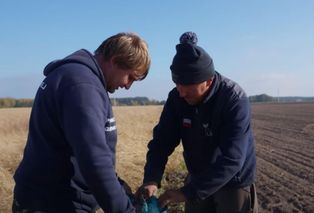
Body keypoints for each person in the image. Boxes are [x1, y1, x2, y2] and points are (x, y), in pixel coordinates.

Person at [12, 32, 151, 213]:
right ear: (115, 61)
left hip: (48, 198)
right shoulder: (83, 87)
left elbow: (80, 149)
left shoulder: (79, 79)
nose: (128, 86)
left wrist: (116, 185)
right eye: (130, 77)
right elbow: (94, 159)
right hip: (54, 203)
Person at [138, 32, 258, 213]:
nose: (182, 94)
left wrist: (186, 193)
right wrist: (151, 179)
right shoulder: (177, 98)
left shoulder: (233, 98)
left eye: (188, 90)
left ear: (208, 81)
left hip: (232, 181)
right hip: (198, 175)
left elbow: (232, 159)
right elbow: (162, 141)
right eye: (177, 86)